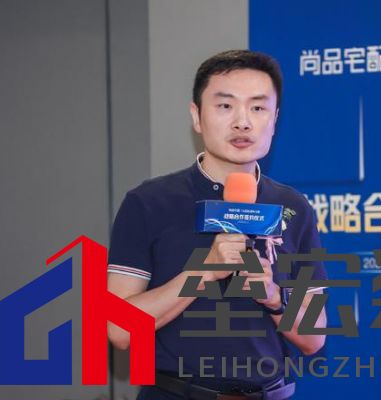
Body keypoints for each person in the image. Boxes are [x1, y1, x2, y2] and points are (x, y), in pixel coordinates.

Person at [107, 50, 327, 400]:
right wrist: (203, 272)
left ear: (274, 120)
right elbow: (119, 330)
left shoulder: (293, 207)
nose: (243, 122)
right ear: (197, 116)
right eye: (225, 106)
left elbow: (315, 338)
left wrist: (275, 297)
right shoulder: (148, 202)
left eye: (258, 108)